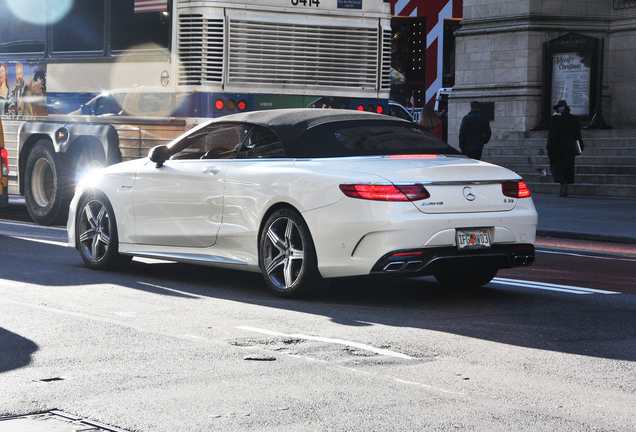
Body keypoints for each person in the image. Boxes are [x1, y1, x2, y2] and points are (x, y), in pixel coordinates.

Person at [547, 99, 584, 197]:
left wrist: (550, 148)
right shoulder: (573, 119)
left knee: (558, 168)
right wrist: (580, 147)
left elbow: (552, 135)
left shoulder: (555, 119)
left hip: (558, 148)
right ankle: (565, 185)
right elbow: (577, 135)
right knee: (568, 167)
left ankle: (562, 183)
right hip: (570, 148)